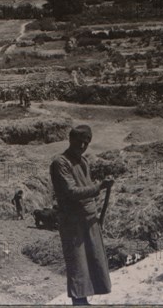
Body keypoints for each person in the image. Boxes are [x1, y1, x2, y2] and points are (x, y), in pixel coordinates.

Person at [50, 125, 114, 306]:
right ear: (70, 140)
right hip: (72, 222)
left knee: (92, 259)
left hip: (88, 218)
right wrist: (99, 187)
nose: (83, 145)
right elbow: (71, 191)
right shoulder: (61, 163)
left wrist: (98, 192)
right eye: (79, 141)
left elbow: (86, 187)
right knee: (78, 263)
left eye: (86, 142)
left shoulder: (84, 162)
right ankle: (79, 302)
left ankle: (85, 301)